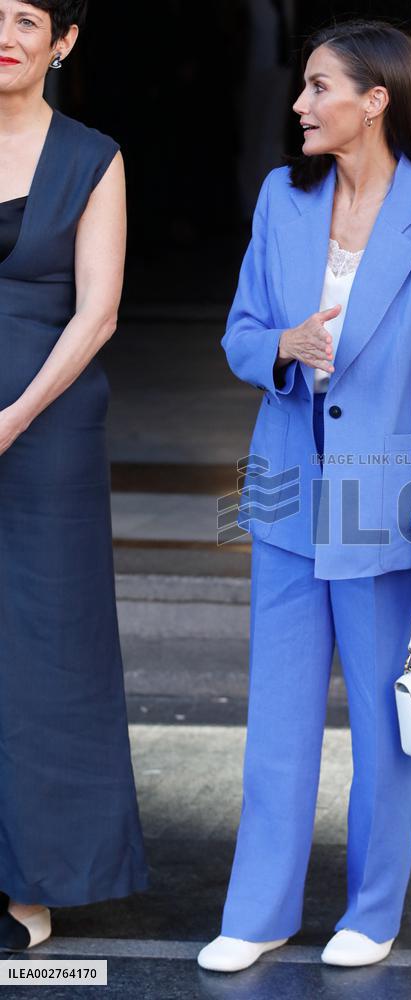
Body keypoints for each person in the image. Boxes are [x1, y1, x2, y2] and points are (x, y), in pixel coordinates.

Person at [198, 19, 411, 973]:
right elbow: (238, 332)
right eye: (305, 88)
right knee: (275, 709)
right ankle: (258, 910)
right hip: (280, 482)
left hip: (382, 493)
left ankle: (373, 909)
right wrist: (282, 346)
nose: (301, 105)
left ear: (375, 100)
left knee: (384, 721)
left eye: (319, 88)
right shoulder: (282, 197)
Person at [0, 0, 148, 952]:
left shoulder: (94, 155)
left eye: (24, 18)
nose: (4, 35)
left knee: (44, 646)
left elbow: (96, 315)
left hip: (45, 426)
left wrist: (10, 419)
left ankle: (32, 881)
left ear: (62, 41)